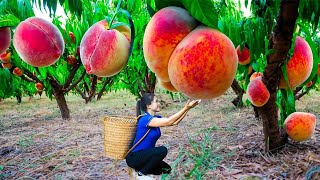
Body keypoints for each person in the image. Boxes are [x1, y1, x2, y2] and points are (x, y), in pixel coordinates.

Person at [125, 93, 201, 178]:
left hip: (145, 157)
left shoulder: (155, 118)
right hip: (135, 157)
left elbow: (174, 122)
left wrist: (188, 109)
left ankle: (141, 170)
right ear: (148, 106)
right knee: (162, 150)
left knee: (166, 169)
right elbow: (169, 121)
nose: (159, 103)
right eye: (156, 101)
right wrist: (185, 108)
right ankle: (141, 175)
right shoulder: (145, 119)